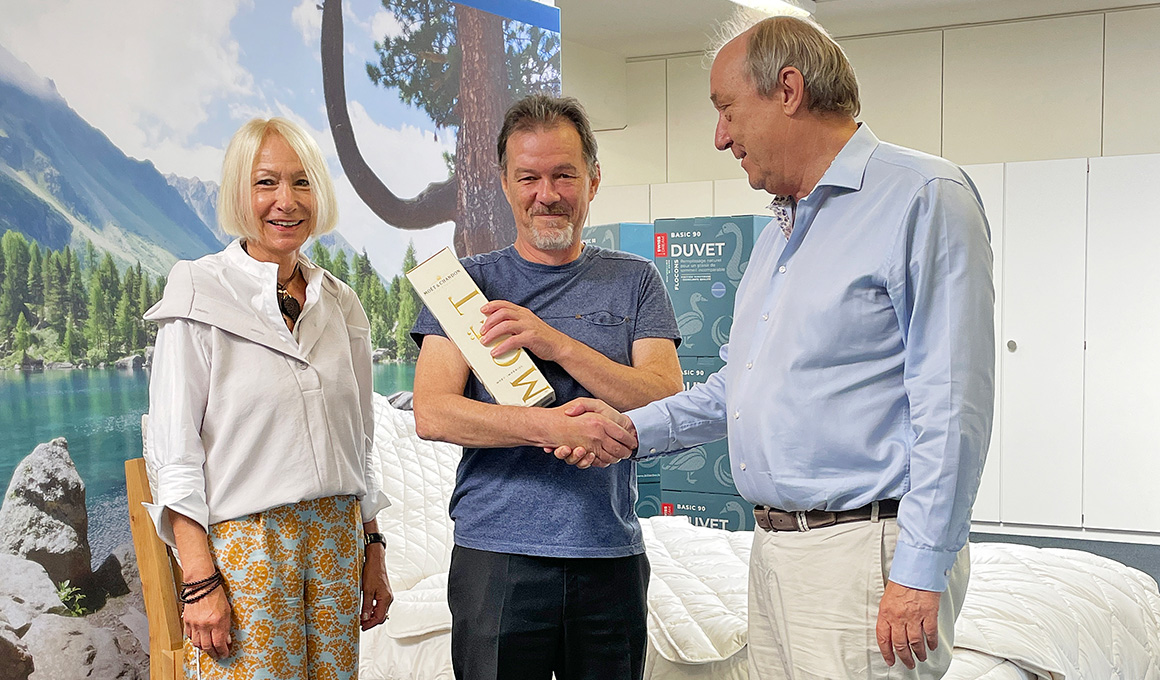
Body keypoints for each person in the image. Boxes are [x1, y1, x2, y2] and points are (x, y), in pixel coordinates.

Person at [556, 14, 995, 680]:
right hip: (775, 550)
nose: (720, 135)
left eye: (727, 109)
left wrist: (920, 569)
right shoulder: (776, 238)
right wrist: (623, 429)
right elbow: (738, 389)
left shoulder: (923, 198)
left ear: (788, 90)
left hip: (864, 553)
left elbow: (954, 403)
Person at [409, 94, 683, 680]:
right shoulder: (467, 285)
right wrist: (551, 427)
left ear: (593, 180)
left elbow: (665, 397)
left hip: (608, 552)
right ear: (506, 184)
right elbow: (433, 413)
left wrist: (553, 341)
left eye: (564, 175)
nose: (547, 194)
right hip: (496, 556)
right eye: (529, 177)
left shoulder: (635, 281)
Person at [143, 117, 393, 679]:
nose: (287, 201)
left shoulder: (341, 302)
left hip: (336, 535)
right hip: (248, 549)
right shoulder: (198, 290)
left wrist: (372, 545)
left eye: (302, 182)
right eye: (266, 183)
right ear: (239, 192)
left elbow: (360, 440)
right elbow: (175, 455)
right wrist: (199, 580)